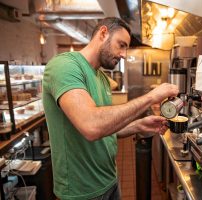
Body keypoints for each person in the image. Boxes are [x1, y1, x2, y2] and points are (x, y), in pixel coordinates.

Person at [42, 17, 178, 200]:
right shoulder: (64, 66)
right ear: (103, 33)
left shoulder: (103, 78)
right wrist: (152, 97)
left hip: (110, 181)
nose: (123, 54)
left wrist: (138, 126)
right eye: (121, 45)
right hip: (82, 192)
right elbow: (92, 126)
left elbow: (107, 127)